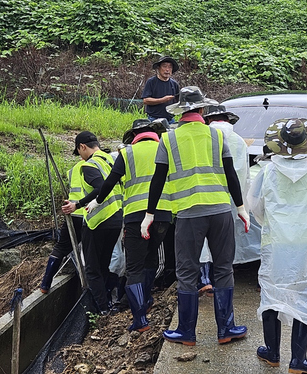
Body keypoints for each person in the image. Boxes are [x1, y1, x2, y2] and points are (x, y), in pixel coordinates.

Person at [146, 86, 249, 346]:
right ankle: (226, 329)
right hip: (221, 211)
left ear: (180, 111)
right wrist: (240, 208)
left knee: (187, 272)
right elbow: (230, 174)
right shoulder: (216, 136)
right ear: (202, 109)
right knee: (224, 269)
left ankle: (187, 333)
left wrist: (149, 214)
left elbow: (158, 179)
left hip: (189, 215)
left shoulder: (168, 140)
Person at [248, 118, 307, 374]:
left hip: (276, 243)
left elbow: (256, 207)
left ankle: (272, 352)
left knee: (272, 292)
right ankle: (298, 360)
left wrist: (274, 225)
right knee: (304, 295)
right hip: (306, 244)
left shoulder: (267, 172)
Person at [90, 119, 171, 332]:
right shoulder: (166, 148)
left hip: (136, 217)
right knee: (152, 256)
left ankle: (140, 318)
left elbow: (109, 182)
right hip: (163, 214)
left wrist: (96, 202)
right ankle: (147, 298)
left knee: (134, 266)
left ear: (134, 136)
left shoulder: (127, 153)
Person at [65, 131, 123, 314]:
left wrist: (78, 204)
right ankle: (107, 302)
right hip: (116, 219)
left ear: (82, 147)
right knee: (104, 264)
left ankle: (102, 309)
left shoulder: (89, 165)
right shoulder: (110, 159)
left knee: (92, 268)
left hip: (98, 222)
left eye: (79, 152)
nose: (80, 157)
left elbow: (100, 188)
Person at [198, 104, 250, 294]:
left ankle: (204, 278)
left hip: (205, 196)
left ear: (209, 120)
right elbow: (244, 176)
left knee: (203, 241)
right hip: (231, 200)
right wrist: (242, 204)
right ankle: (223, 280)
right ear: (228, 120)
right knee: (225, 242)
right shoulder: (239, 141)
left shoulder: (203, 137)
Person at [39, 158, 86, 294]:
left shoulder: (73, 169)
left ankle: (45, 284)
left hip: (73, 213)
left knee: (60, 248)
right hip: (90, 214)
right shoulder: (96, 164)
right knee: (90, 251)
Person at [142, 56, 180, 122]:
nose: (167, 69)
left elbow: (177, 101)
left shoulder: (174, 84)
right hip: (154, 119)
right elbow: (146, 100)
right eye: (164, 66)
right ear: (158, 68)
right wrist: (163, 100)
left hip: (170, 120)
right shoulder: (151, 82)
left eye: (170, 67)